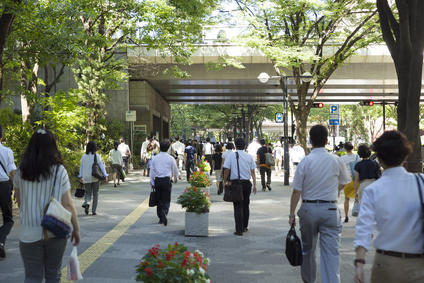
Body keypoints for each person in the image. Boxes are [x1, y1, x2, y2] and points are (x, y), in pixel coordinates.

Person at [354, 130, 424, 283]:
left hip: (386, 264)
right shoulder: (422, 182)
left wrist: (359, 263)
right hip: (419, 264)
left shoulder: (373, 190)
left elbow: (364, 228)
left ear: (379, 159)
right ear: (405, 156)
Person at [13, 129, 80, 282]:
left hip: (28, 232)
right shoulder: (59, 171)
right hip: (54, 230)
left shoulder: (20, 172)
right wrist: (76, 228)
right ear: (53, 147)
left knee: (32, 276)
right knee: (53, 275)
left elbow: (20, 201)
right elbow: (67, 203)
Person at [289, 124, 350, 283]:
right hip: (330, 209)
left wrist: (291, 214)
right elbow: (345, 181)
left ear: (310, 140)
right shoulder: (336, 159)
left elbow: (296, 191)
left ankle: (309, 280)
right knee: (331, 252)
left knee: (308, 249)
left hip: (308, 210)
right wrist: (336, 190)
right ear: (327, 140)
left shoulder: (305, 161)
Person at [223, 138, 257, 236]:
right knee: (246, 205)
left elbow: (226, 170)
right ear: (245, 146)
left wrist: (224, 182)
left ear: (235, 146)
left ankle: (239, 229)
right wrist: (255, 185)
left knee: (237, 206)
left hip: (236, 183)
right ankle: (245, 226)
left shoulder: (231, 156)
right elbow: (253, 172)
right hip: (247, 183)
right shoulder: (249, 157)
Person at [150, 139, 179, 226]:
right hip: (166, 180)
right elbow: (175, 169)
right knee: (166, 199)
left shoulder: (155, 158)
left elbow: (152, 171)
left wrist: (152, 182)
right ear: (168, 149)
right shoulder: (171, 158)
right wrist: (175, 178)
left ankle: (160, 217)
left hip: (157, 180)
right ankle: (164, 211)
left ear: (159, 148)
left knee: (159, 199)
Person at [79, 141, 108, 215]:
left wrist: (81, 176)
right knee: (95, 194)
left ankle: (87, 203)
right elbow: (101, 167)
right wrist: (105, 175)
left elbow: (81, 168)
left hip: (86, 177)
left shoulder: (83, 157)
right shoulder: (96, 156)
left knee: (88, 193)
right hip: (95, 177)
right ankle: (94, 211)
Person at [0, 124, 16, 259]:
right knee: (8, 219)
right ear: (2, 136)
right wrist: (17, 189)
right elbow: (12, 172)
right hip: (3, 187)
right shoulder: (7, 151)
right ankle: (0, 241)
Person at [340, 142, 359, 223]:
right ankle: (359, 216)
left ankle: (346, 216)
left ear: (345, 148)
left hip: (347, 179)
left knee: (346, 198)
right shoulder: (357, 157)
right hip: (356, 179)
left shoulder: (342, 158)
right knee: (358, 198)